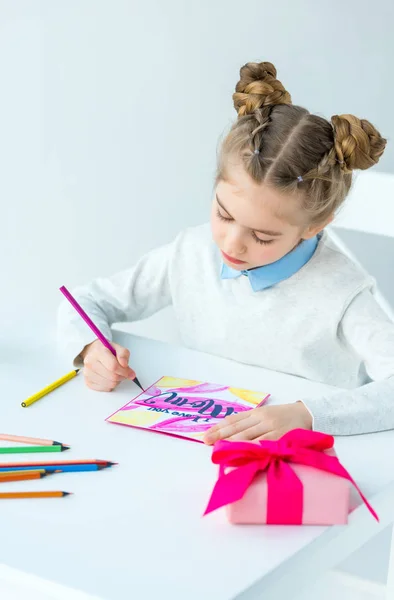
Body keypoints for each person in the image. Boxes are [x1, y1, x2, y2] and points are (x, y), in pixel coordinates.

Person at [57, 61, 393, 444]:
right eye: (223, 213)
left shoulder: (342, 295)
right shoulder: (192, 252)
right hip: (199, 443)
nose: (231, 245)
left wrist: (307, 414)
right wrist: (91, 348)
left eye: (263, 237)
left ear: (314, 226)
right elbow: (85, 300)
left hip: (299, 458)